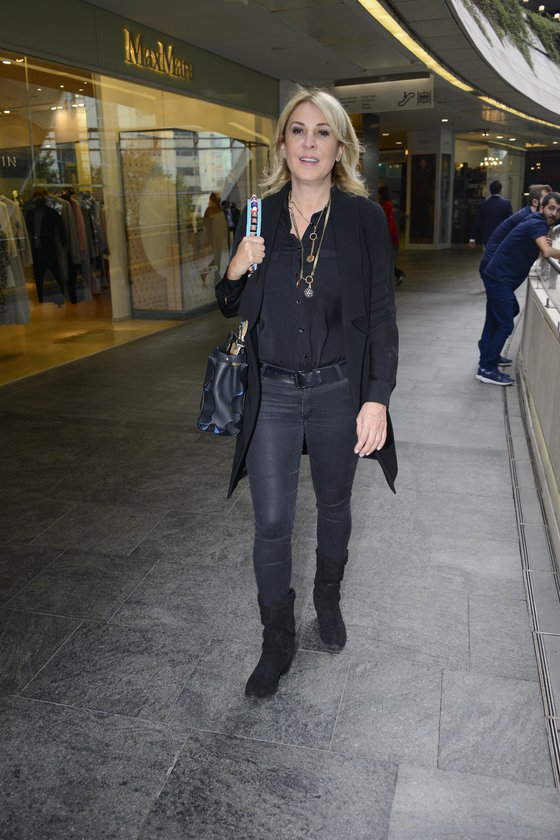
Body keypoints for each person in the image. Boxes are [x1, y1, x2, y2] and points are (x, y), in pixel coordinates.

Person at [215, 86, 398, 698]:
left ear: (340, 147)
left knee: (335, 505)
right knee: (271, 522)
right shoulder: (260, 215)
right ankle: (277, 641)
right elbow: (232, 303)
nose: (310, 143)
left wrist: (376, 397)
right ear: (283, 145)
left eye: (323, 132)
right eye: (298, 130)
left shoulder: (362, 220)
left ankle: (327, 600)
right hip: (272, 392)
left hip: (337, 390)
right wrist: (236, 267)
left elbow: (381, 316)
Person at [476, 190, 560, 386]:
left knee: (499, 316)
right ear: (542, 207)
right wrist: (548, 246)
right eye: (551, 208)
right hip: (499, 279)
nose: (554, 214)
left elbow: (538, 244)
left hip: (496, 276)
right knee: (505, 324)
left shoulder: (536, 222)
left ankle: (487, 357)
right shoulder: (537, 224)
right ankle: (487, 368)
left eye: (558, 210)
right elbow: (547, 252)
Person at [469, 179, 513, 248]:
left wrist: (472, 238)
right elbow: (510, 222)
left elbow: (478, 222)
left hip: (487, 237)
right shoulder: (506, 204)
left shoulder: (484, 204)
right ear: (500, 190)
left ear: (490, 191)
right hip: (501, 236)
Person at [378, 185, 405, 285]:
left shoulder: (386, 205)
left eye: (379, 194)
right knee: (385, 259)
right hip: (389, 236)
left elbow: (385, 220)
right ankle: (398, 273)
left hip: (387, 236)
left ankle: (398, 273)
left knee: (384, 259)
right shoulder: (387, 204)